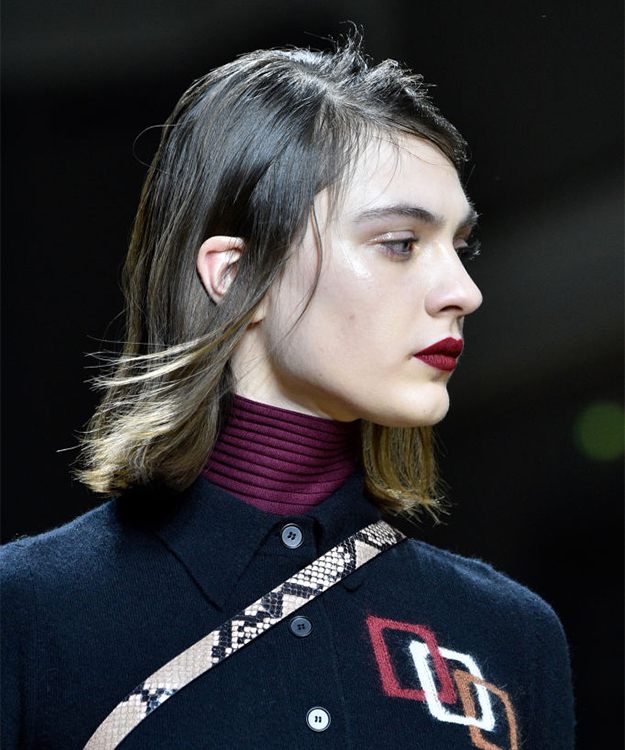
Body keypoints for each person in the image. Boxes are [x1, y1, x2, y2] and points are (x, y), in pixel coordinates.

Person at [1, 35, 574, 749]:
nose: (463, 291)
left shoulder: (510, 638)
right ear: (237, 274)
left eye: (461, 247)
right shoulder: (29, 615)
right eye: (400, 243)